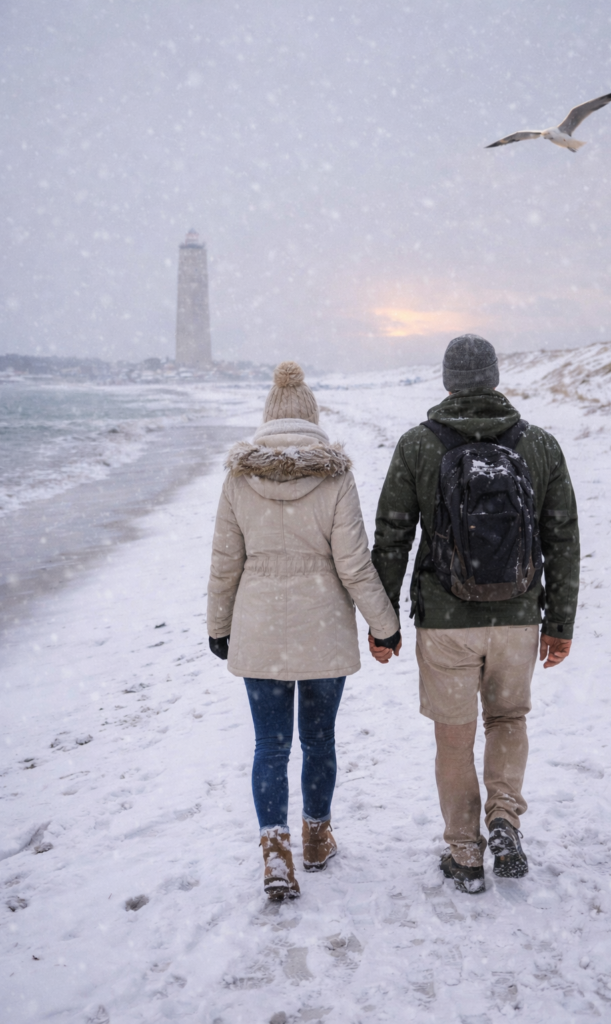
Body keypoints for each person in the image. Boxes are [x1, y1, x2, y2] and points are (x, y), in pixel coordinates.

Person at [370, 335, 579, 894]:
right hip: (517, 617)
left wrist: (382, 622)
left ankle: (464, 851)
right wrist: (560, 623)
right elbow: (562, 539)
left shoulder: (417, 445)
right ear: (493, 378)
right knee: (508, 719)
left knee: (454, 735)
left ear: (447, 382)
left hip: (444, 621)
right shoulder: (539, 445)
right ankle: (505, 817)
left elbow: (392, 535)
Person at [207, 362, 400, 901]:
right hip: (323, 631)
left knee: (270, 746)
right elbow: (355, 564)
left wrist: (217, 626)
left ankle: (275, 853)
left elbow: (226, 561)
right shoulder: (336, 476)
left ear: (267, 419)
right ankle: (316, 837)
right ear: (313, 418)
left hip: (260, 629)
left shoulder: (239, 477)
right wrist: (385, 627)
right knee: (318, 741)